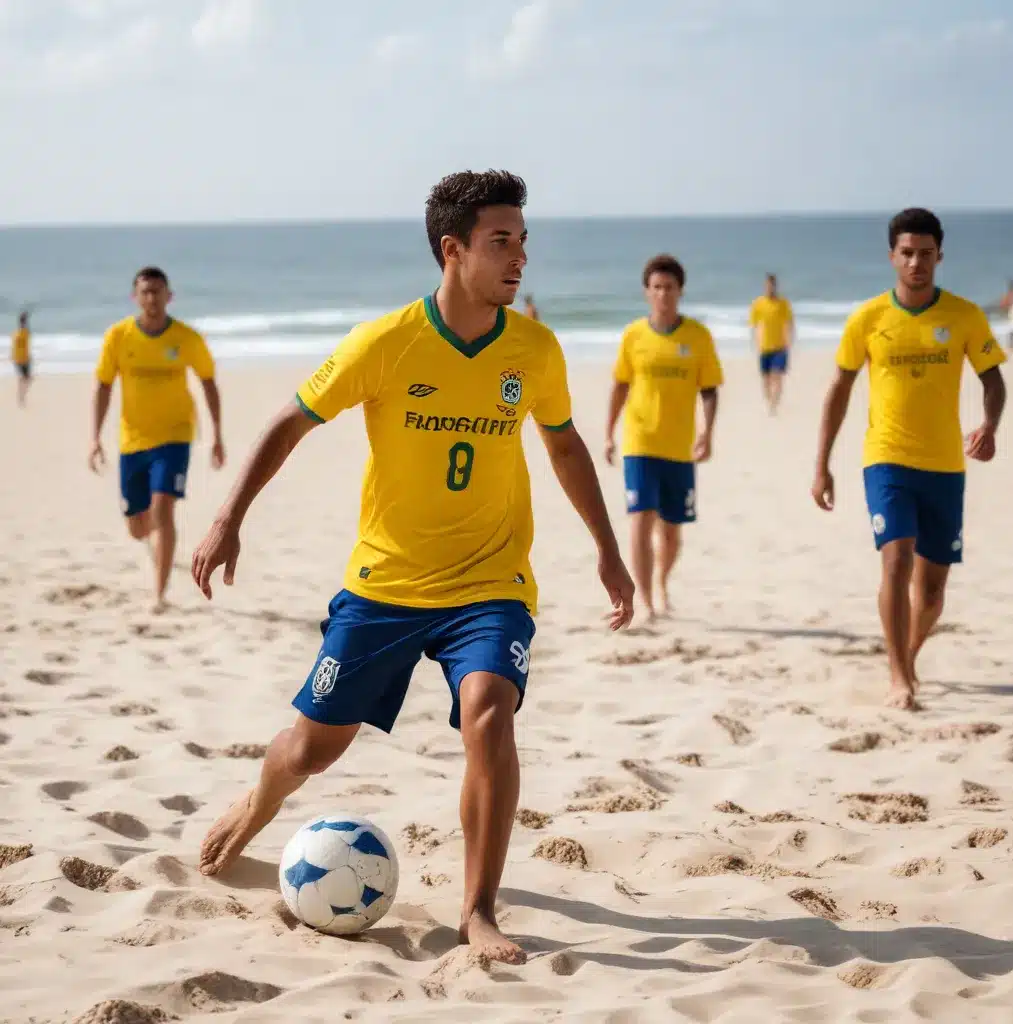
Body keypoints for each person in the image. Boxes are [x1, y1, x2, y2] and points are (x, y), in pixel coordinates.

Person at [189, 170, 634, 964]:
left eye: (524, 241)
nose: (520, 257)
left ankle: (479, 909)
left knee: (489, 710)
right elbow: (291, 422)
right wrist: (228, 518)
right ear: (452, 249)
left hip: (490, 585)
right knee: (311, 749)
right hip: (385, 587)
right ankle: (257, 805)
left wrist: (607, 549)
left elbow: (564, 446)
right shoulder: (387, 342)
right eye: (502, 241)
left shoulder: (534, 348)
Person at [812, 208, 1006, 711]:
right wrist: (822, 463)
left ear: (939, 255)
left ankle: (909, 654)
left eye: (925, 253)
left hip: (944, 465)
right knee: (895, 561)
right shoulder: (869, 318)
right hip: (887, 458)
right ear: (892, 256)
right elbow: (840, 387)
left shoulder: (963, 315)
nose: (916, 262)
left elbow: (993, 378)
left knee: (934, 590)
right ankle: (899, 675)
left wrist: (990, 425)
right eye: (906, 253)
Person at [89, 267, 225, 612]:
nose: (151, 298)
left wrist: (218, 435)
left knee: (163, 508)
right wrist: (94, 438)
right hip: (132, 441)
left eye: (158, 291)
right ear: (136, 297)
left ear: (169, 296)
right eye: (145, 292)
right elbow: (103, 386)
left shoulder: (187, 338)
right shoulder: (118, 337)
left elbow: (208, 381)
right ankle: (156, 544)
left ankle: (159, 594)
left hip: (175, 437)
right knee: (138, 527)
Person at [604, 254, 722, 622]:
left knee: (671, 534)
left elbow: (710, 390)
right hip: (639, 443)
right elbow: (620, 385)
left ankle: (662, 581)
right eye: (656, 288)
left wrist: (707, 433)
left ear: (680, 291)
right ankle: (646, 599)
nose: (663, 294)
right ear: (646, 292)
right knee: (640, 520)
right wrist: (609, 433)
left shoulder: (698, 337)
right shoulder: (633, 336)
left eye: (669, 288)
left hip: (679, 447)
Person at [749, 273, 793, 413]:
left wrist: (789, 340)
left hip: (780, 346)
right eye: (768, 285)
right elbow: (754, 325)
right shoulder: (758, 304)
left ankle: (774, 405)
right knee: (766, 380)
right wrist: (756, 342)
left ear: (775, 286)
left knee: (777, 376)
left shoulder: (783, 303)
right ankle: (769, 402)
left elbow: (789, 323)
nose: (770, 288)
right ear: (765, 286)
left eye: (772, 285)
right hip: (764, 347)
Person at [10, 311, 32, 407]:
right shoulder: (26, 333)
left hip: (17, 358)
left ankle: (21, 397)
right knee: (27, 379)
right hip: (24, 359)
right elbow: (26, 345)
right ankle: (21, 398)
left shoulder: (15, 333)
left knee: (23, 378)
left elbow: (15, 346)